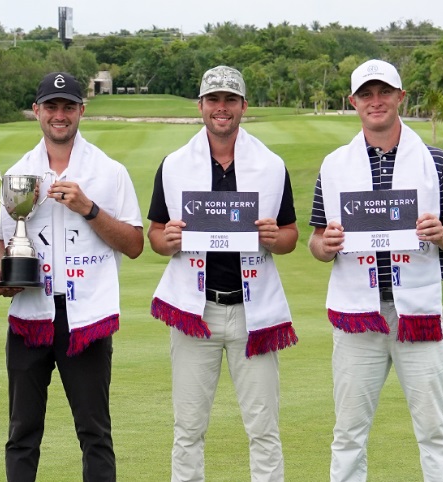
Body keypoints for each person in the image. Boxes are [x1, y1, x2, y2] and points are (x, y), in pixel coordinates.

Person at [308, 59, 443, 481]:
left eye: (383, 92)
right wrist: (324, 245)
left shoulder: (436, 161)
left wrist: (440, 233)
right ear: (353, 102)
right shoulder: (335, 164)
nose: (375, 101)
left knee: (434, 430)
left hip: (419, 313)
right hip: (358, 317)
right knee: (348, 432)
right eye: (365, 94)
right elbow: (317, 241)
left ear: (401, 97)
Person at [148, 66, 298, 482]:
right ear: (201, 106)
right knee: (189, 429)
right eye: (213, 100)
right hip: (196, 310)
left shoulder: (270, 165)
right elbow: (156, 235)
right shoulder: (175, 165)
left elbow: (290, 236)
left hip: (255, 312)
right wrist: (169, 239)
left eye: (230, 100)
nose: (221, 108)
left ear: (243, 106)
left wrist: (274, 237)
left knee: (263, 429)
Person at [0, 72, 143, 482]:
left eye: (68, 107)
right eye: (52, 107)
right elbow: (5, 241)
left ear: (81, 111)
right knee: (22, 433)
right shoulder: (19, 172)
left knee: (94, 433)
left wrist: (89, 209)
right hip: (31, 316)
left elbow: (133, 244)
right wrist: (6, 276)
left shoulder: (108, 172)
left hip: (86, 317)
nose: (60, 115)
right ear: (37, 111)